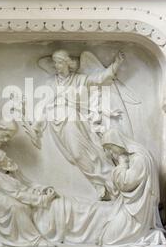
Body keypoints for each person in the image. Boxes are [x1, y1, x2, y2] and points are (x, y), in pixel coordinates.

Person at [32, 49, 125, 200]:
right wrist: (36, 125)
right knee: (75, 156)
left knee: (81, 153)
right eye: (55, 62)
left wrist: (116, 64)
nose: (57, 65)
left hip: (73, 121)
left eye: (60, 62)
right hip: (56, 125)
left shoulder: (79, 79)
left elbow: (101, 79)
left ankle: (107, 181)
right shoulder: (51, 82)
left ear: (68, 63)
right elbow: (44, 105)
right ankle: (99, 185)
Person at [0, 149, 56, 247]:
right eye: (4, 159)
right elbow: (17, 194)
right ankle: (35, 240)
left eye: (6, 156)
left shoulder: (12, 170)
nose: (9, 159)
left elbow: (28, 184)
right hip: (5, 201)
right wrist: (41, 200)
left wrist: (42, 190)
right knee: (19, 208)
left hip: (22, 196)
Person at [99, 128, 165, 246]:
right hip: (131, 206)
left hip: (137, 212)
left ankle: (153, 236)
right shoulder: (134, 156)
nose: (112, 154)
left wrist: (122, 165)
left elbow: (126, 183)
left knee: (108, 239)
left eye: (111, 149)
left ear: (117, 143)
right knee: (105, 236)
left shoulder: (139, 158)